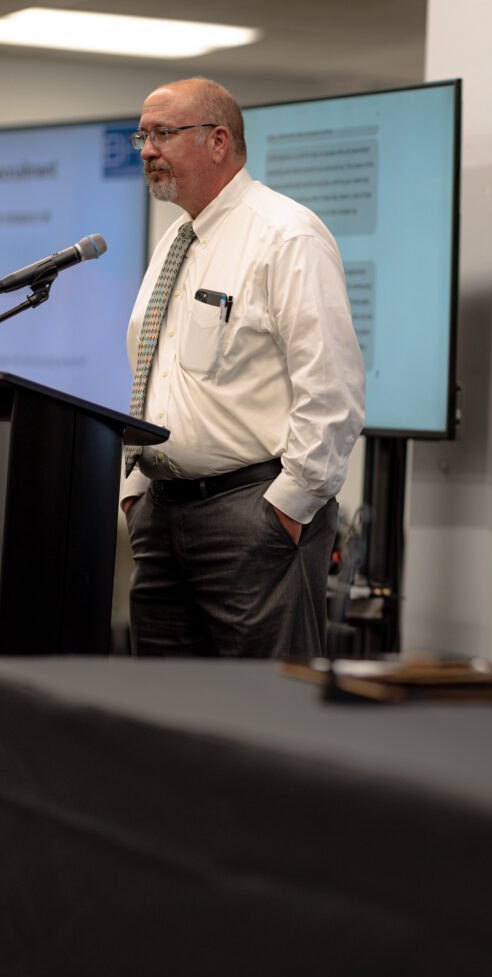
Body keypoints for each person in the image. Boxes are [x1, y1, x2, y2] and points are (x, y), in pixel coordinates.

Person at [120, 78, 365, 658]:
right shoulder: (175, 241)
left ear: (218, 141)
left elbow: (331, 389)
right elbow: (156, 372)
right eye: (142, 136)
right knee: (163, 717)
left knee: (263, 717)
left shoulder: (287, 235)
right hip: (161, 513)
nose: (148, 150)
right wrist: (134, 487)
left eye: (163, 134)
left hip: (251, 514)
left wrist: (287, 508)